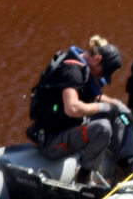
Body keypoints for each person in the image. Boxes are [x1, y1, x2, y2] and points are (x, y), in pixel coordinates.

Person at [26, 37, 127, 181]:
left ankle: (124, 166)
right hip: (52, 141)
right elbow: (72, 108)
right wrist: (103, 107)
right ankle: (84, 177)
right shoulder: (73, 72)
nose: (102, 77)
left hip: (69, 127)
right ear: (97, 60)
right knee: (103, 128)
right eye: (102, 72)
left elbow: (96, 96)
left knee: (116, 115)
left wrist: (116, 105)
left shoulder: (82, 63)